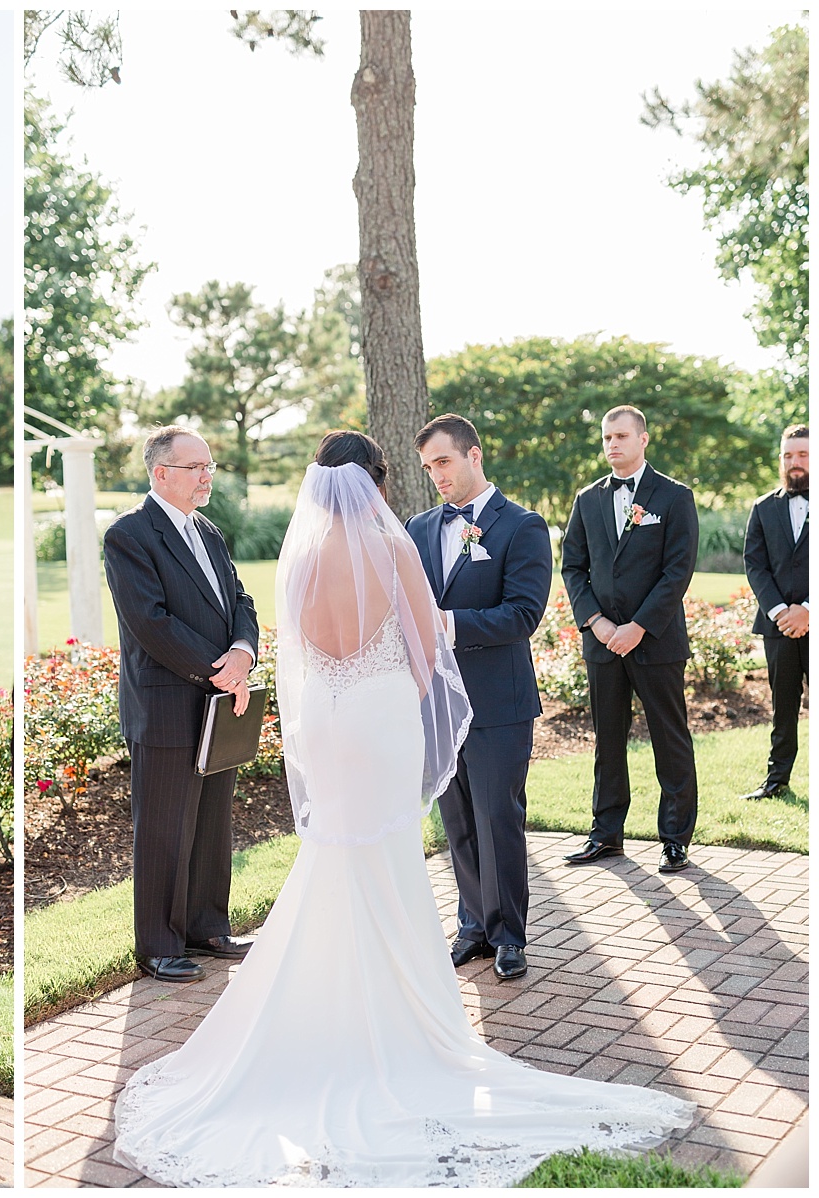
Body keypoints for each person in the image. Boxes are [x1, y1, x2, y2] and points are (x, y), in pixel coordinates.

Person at [111, 432, 694, 1188]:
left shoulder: (304, 557)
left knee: (335, 860)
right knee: (387, 861)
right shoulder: (394, 552)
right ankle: (403, 1021)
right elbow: (427, 656)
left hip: (326, 725)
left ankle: (321, 1018)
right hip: (380, 721)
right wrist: (398, 698)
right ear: (376, 485)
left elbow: (304, 661)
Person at [101, 428, 259, 985]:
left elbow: (240, 598)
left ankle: (206, 926)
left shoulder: (209, 532)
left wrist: (242, 652)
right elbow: (150, 622)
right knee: (166, 828)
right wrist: (220, 670)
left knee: (213, 820)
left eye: (209, 466)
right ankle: (160, 945)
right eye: (194, 467)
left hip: (223, 699)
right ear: (160, 473)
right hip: (167, 704)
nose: (207, 476)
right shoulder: (129, 536)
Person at [406, 414, 552, 981]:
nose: (436, 475)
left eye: (443, 461)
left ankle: (508, 934)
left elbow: (524, 613)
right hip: (438, 704)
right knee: (457, 823)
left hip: (498, 702)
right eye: (428, 467)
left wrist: (448, 624)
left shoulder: (521, 526)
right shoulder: (418, 528)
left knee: (498, 819)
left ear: (474, 455)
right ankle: (472, 927)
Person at [560, 406, 700, 874]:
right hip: (602, 643)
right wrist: (597, 623)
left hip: (655, 641)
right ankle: (606, 835)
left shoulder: (675, 497)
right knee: (608, 742)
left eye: (621, 436)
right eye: (606, 438)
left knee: (669, 739)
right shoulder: (587, 499)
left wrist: (637, 627)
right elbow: (573, 568)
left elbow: (677, 570)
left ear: (643, 439)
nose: (612, 445)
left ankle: (675, 839)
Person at [740, 424, 809, 800]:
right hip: (777, 626)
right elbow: (755, 564)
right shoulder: (763, 507)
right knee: (782, 709)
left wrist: (809, 611)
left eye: (802, 454)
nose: (794, 462)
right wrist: (782, 611)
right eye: (787, 455)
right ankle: (776, 780)